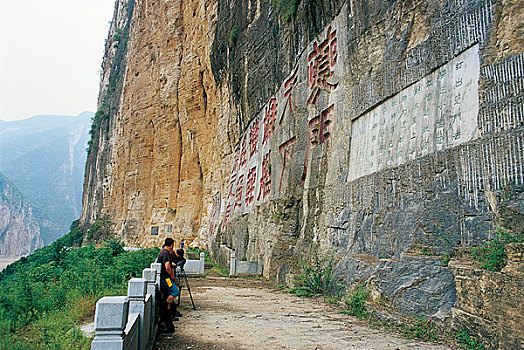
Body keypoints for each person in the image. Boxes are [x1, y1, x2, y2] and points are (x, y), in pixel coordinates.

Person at [155, 238, 180, 331]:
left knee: (168, 293)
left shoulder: (162, 252)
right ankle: (165, 303)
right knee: (175, 292)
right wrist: (172, 275)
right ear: (171, 245)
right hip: (166, 278)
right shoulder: (165, 253)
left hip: (164, 277)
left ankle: (168, 309)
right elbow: (167, 266)